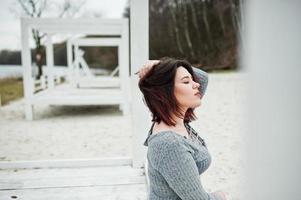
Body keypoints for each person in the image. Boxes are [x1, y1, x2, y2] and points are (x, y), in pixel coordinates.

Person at [136, 57, 227, 200]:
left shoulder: (175, 119)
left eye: (192, 80)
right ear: (166, 92)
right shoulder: (170, 143)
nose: (196, 84)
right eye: (186, 82)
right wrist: (220, 196)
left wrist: (160, 65)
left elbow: (203, 78)